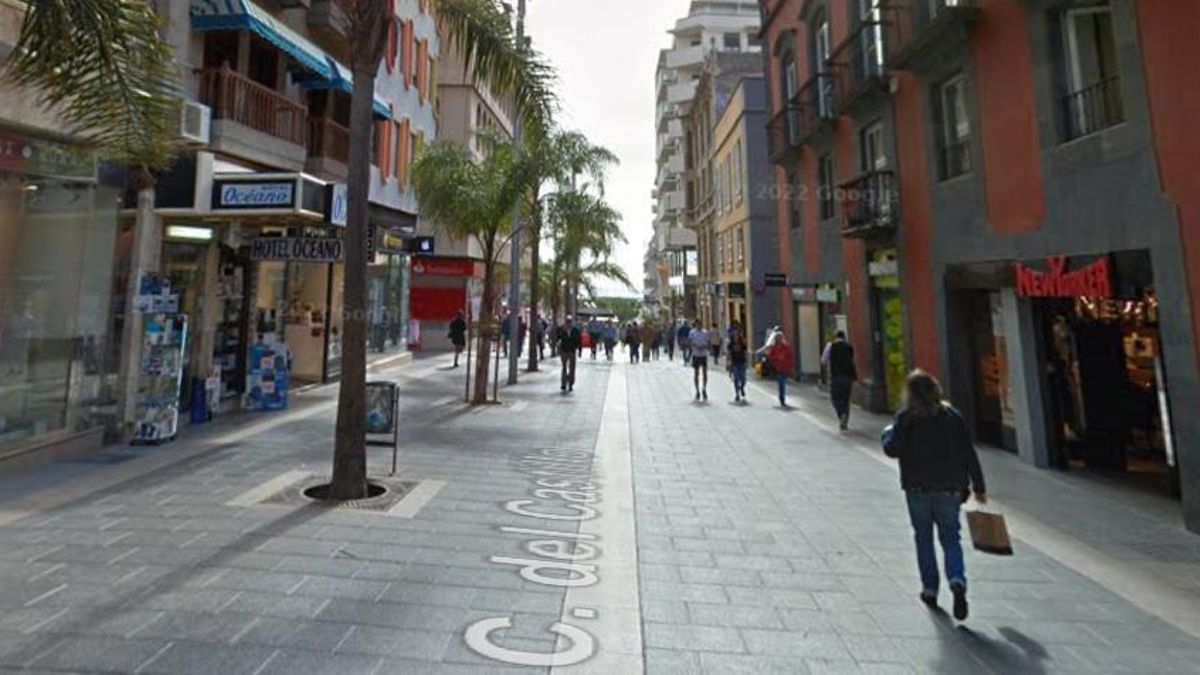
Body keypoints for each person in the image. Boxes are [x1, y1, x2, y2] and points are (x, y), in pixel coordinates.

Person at [883, 370, 987, 621]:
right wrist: (979, 485)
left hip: (917, 487)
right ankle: (956, 579)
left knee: (923, 538)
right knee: (951, 538)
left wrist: (887, 434)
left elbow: (892, 449)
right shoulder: (952, 416)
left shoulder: (906, 418)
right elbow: (968, 451)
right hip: (950, 487)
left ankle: (930, 588)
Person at [822, 331, 857, 431]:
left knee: (835, 398)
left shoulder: (830, 346)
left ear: (835, 337)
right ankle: (845, 416)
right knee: (846, 398)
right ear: (844, 337)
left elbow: (823, 360)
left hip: (836, 376)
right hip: (847, 376)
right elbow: (852, 361)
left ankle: (841, 414)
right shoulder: (849, 347)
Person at [758, 327, 794, 407]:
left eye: (780, 338)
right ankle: (782, 398)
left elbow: (790, 357)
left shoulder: (786, 347)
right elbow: (771, 356)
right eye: (777, 338)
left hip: (785, 368)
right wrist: (777, 358)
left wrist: (790, 366)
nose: (779, 339)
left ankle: (782, 397)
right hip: (778, 368)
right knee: (781, 383)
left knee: (782, 383)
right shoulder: (774, 348)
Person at [556, 317, 582, 393]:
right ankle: (563, 383)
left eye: (570, 322)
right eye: (567, 322)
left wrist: (579, 350)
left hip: (572, 351)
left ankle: (571, 383)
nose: (568, 323)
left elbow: (579, 341)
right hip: (564, 350)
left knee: (572, 368)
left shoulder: (576, 331)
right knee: (564, 367)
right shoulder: (561, 330)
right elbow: (558, 339)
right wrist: (558, 349)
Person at [688, 321, 710, 401]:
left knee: (704, 373)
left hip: (703, 355)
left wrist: (704, 346)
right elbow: (690, 342)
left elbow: (708, 342)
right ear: (696, 325)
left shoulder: (705, 332)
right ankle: (697, 390)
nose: (699, 325)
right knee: (696, 373)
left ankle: (704, 389)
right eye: (697, 324)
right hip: (696, 355)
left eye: (700, 324)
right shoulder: (692, 333)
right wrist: (696, 346)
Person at [727, 326, 749, 402]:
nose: (736, 336)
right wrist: (728, 364)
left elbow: (745, 353)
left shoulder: (742, 343)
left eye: (737, 334)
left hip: (742, 362)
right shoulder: (730, 344)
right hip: (734, 363)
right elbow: (729, 354)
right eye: (734, 335)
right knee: (736, 378)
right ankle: (737, 394)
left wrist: (746, 362)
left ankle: (742, 387)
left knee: (743, 379)